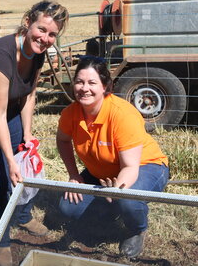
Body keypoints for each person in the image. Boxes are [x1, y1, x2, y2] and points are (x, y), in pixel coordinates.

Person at [0, 0, 69, 266]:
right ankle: (0, 241)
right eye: (41, 29)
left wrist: (27, 135)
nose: (45, 38)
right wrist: (9, 160)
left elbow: (30, 95)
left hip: (10, 112)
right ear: (28, 20)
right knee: (0, 178)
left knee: (25, 167)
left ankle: (22, 215)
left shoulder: (38, 52)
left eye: (52, 34)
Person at [56, 56, 169, 259]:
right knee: (68, 207)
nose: (84, 88)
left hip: (146, 166)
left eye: (92, 83)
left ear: (105, 86)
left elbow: (130, 167)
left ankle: (137, 229)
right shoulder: (70, 114)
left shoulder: (121, 114)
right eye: (80, 82)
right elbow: (63, 141)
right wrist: (74, 175)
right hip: (102, 172)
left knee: (127, 200)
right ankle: (110, 210)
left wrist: (117, 189)